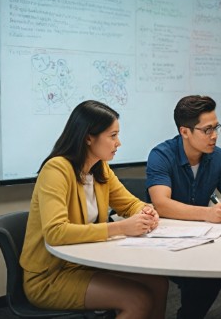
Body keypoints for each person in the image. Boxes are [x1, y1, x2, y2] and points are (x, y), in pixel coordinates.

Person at [21, 100, 168, 318]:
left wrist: (145, 211)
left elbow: (129, 204)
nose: (118, 143)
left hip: (84, 263)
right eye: (113, 136)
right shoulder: (56, 169)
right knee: (138, 300)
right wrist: (120, 228)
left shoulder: (100, 168)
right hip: (51, 275)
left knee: (158, 283)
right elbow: (55, 232)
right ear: (89, 137)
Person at [147, 95, 221, 318]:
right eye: (207, 130)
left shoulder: (216, 156)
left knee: (209, 280)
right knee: (203, 282)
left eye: (216, 128)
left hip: (201, 240)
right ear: (184, 131)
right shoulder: (161, 155)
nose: (214, 136)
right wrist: (208, 213)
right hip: (165, 242)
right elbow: (161, 204)